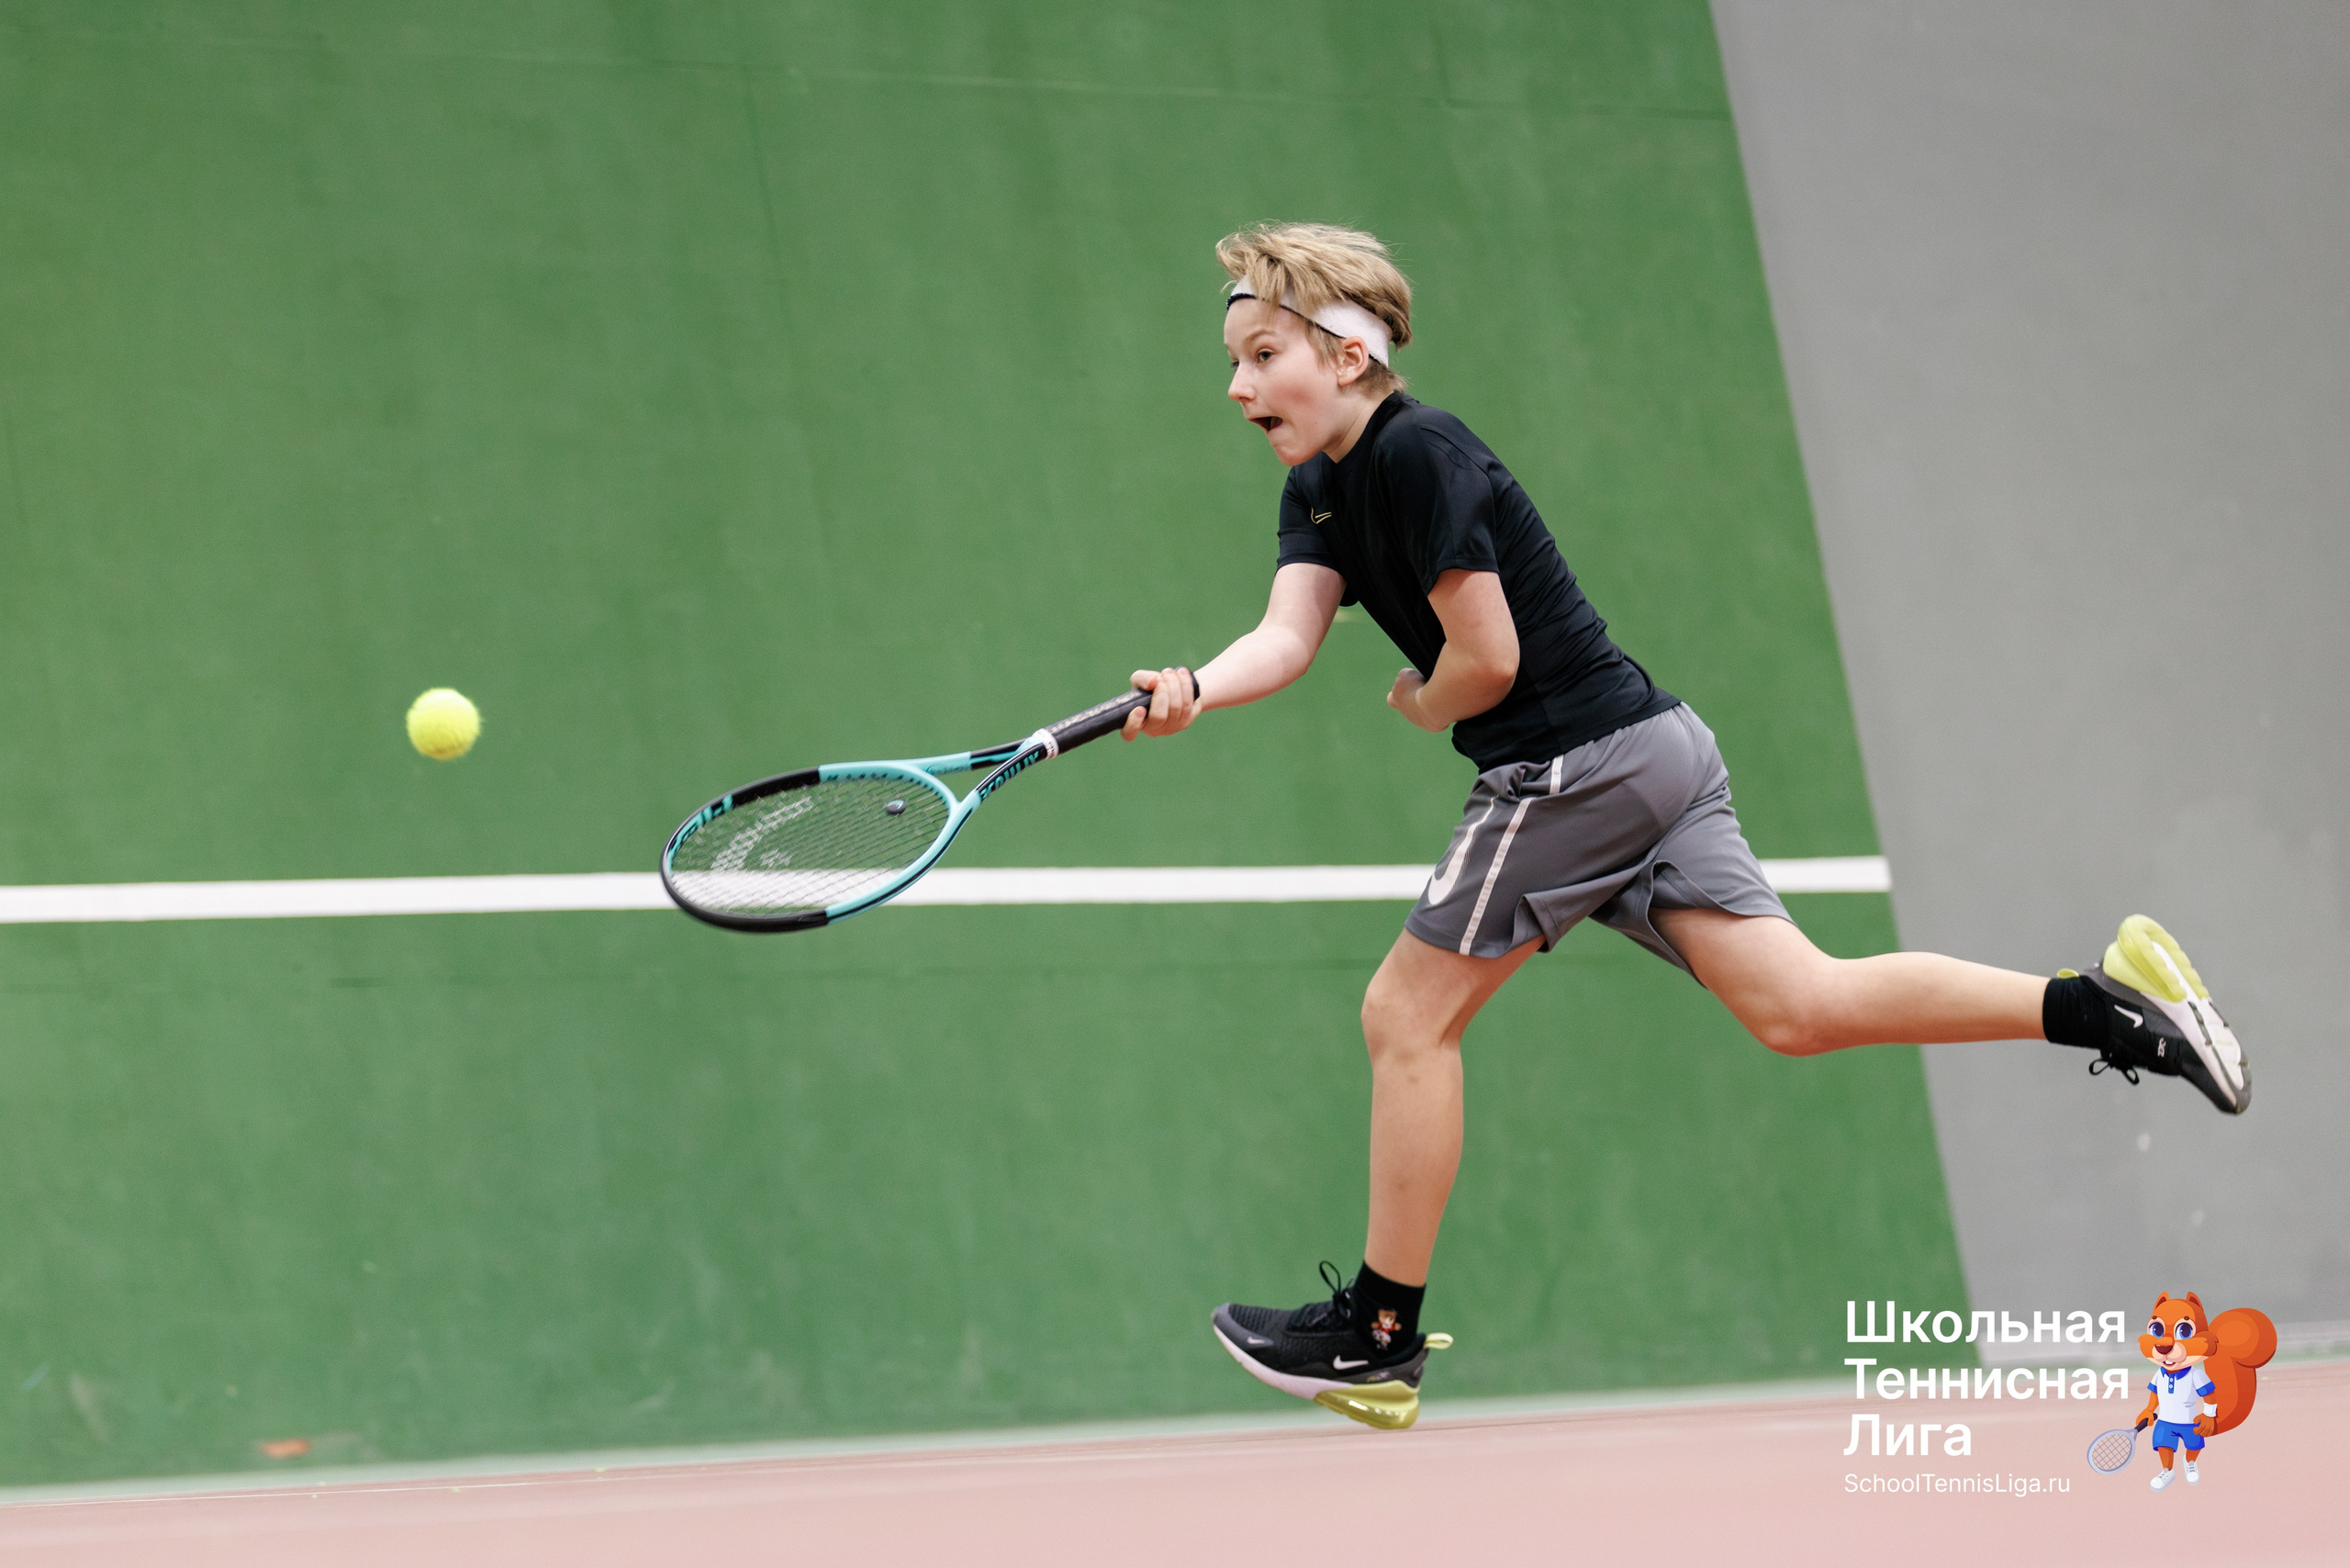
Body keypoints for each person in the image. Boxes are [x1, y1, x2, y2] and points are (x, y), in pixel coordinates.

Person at [1116, 222, 2252, 1431]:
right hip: (1653, 751)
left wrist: (1419, 697)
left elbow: (1485, 663)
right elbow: (1287, 637)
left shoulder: (1418, 454)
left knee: (1404, 1014)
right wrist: (1199, 686)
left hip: (1573, 765)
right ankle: (2114, 1006)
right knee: (1798, 1007)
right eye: (1234, 360)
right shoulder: (1322, 491)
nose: (1238, 384)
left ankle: (1381, 1335)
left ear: (1347, 355)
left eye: (1264, 353)